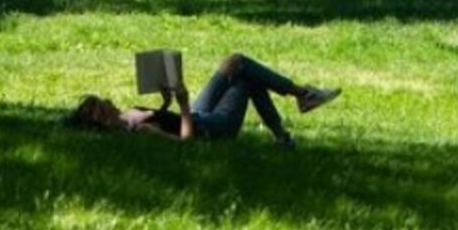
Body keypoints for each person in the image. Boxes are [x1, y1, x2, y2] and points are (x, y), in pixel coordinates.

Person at [65, 53, 340, 148]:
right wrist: (183, 104)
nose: (110, 101)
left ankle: (288, 127)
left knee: (236, 63)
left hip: (198, 114)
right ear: (102, 120)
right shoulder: (137, 131)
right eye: (105, 106)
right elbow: (185, 143)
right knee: (244, 73)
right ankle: (302, 98)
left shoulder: (126, 119)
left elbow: (166, 120)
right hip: (212, 127)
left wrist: (166, 102)